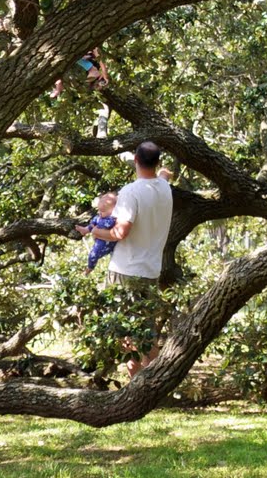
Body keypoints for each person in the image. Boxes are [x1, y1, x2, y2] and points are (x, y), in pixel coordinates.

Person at [78, 141, 173, 376]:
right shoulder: (164, 188)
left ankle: (137, 388)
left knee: (127, 333)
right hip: (151, 269)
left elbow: (119, 232)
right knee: (147, 332)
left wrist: (93, 231)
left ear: (136, 161)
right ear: (157, 162)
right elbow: (163, 175)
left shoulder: (131, 192)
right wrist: (163, 171)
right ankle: (155, 383)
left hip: (126, 270)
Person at [83, 191, 118, 273]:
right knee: (94, 220)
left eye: (102, 211)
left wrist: (95, 230)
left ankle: (90, 267)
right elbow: (95, 222)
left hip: (106, 242)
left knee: (93, 254)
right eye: (99, 211)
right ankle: (85, 229)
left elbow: (105, 225)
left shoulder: (112, 219)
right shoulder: (101, 216)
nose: (100, 213)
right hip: (100, 238)